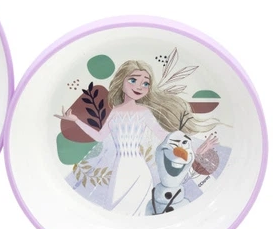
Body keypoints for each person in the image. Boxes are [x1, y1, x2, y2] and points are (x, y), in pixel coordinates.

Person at [57, 60, 218, 216]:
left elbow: (165, 137)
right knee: (116, 209)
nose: (139, 86)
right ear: (121, 82)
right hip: (119, 169)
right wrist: (76, 120)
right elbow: (99, 137)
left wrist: (195, 149)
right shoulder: (114, 112)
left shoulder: (144, 112)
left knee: (138, 210)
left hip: (139, 170)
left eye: (145, 83)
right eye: (133, 80)